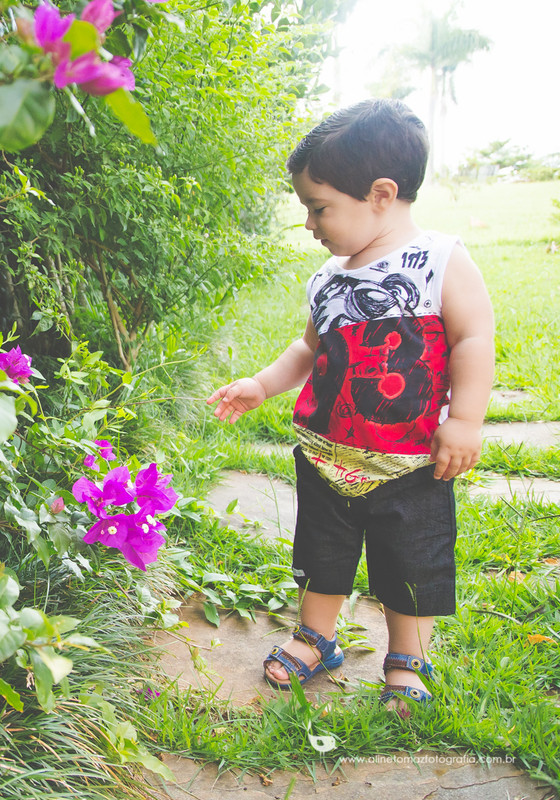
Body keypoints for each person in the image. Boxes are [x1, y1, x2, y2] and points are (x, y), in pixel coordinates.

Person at [206, 99, 495, 713]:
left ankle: (406, 658)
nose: (311, 223)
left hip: (411, 463)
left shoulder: (441, 261)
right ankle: (317, 636)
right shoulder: (329, 277)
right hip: (326, 453)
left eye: (320, 207)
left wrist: (465, 420)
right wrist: (262, 383)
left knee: (410, 561)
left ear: (381, 194)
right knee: (321, 552)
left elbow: (473, 338)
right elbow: (308, 347)